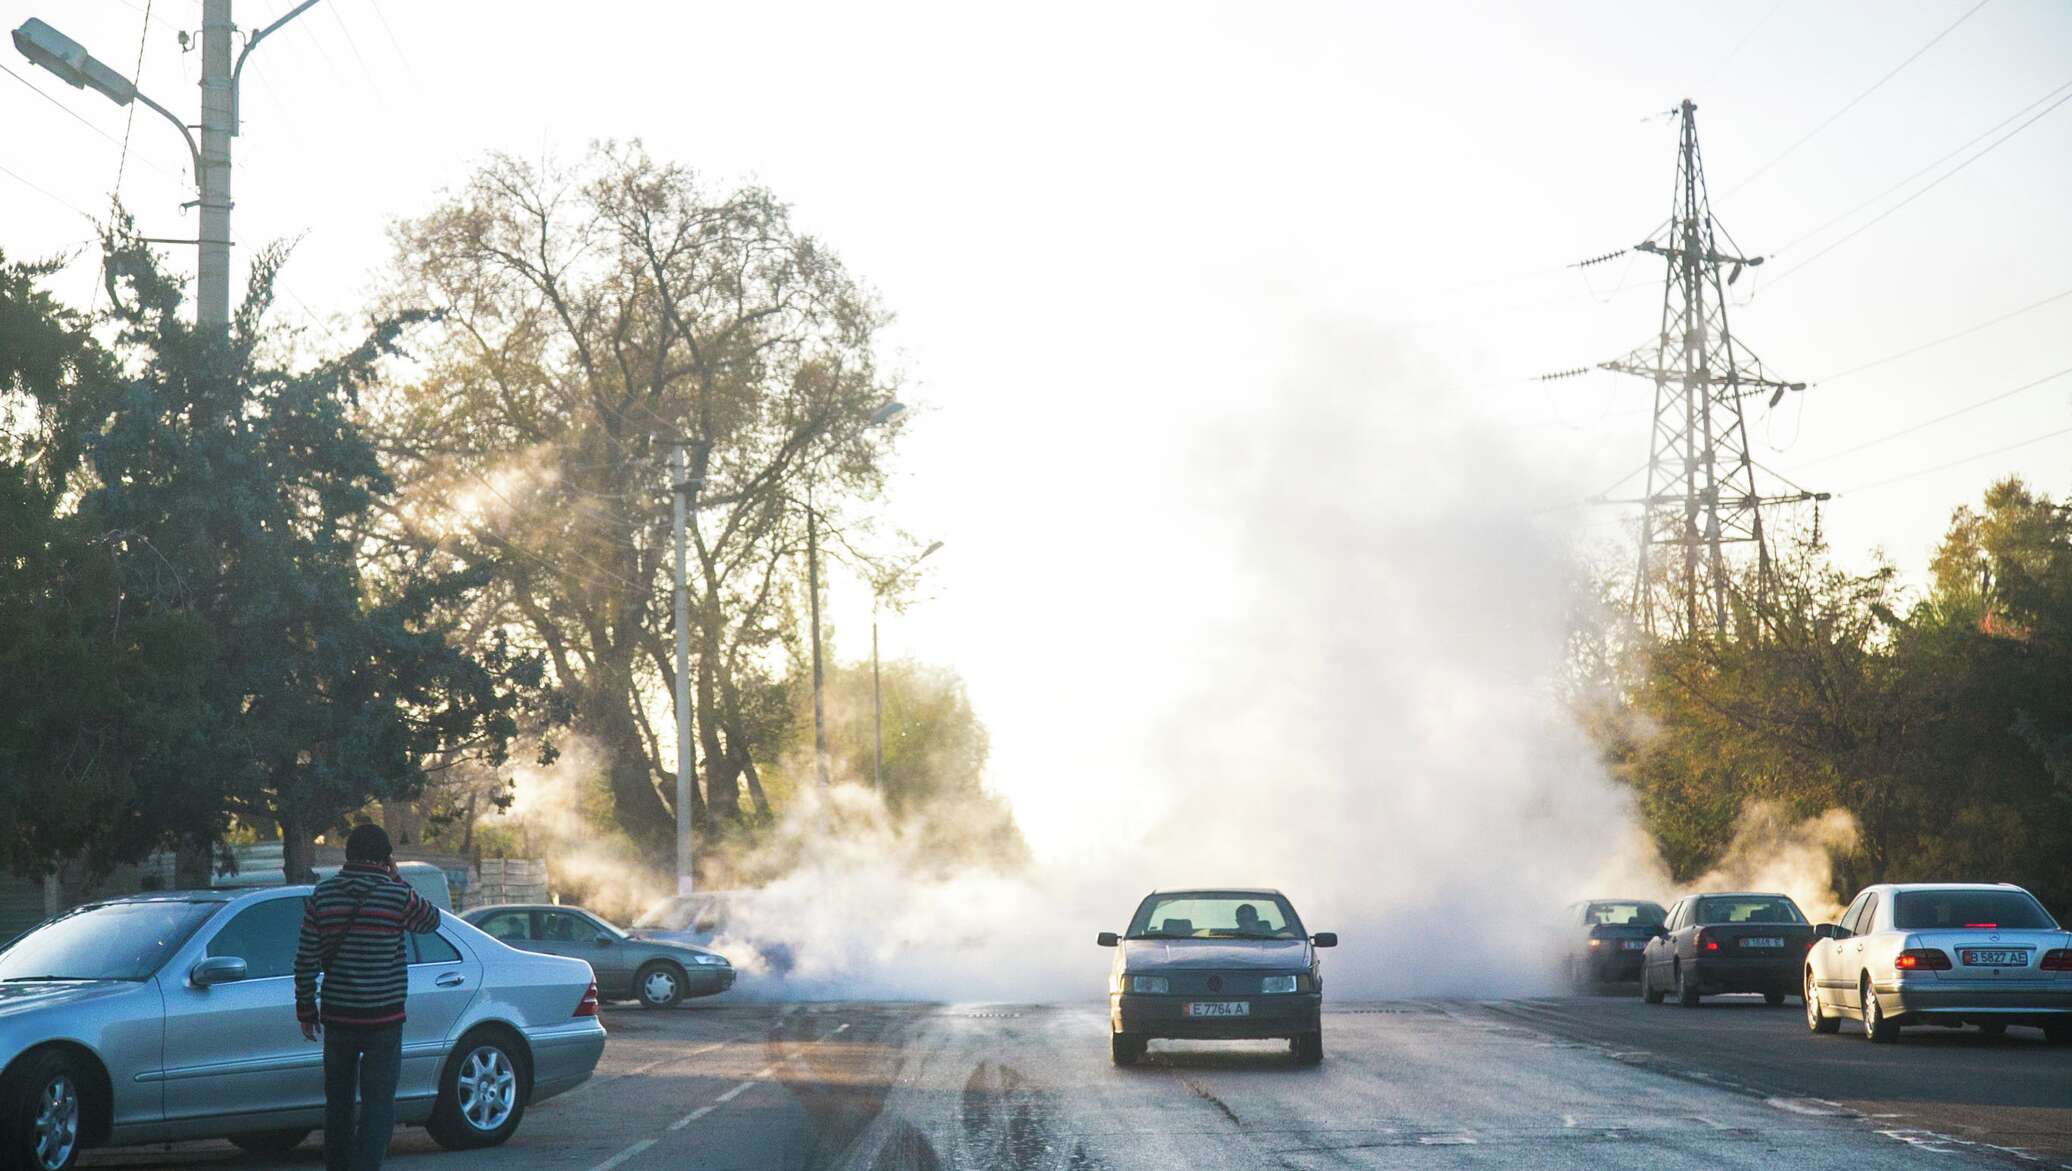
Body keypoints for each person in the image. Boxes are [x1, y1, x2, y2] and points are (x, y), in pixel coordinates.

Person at [293, 824, 442, 1171]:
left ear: (349, 855)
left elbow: (305, 958)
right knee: (378, 1104)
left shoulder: (323, 896)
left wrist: (305, 1008)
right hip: (384, 1020)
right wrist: (398, 879)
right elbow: (431, 921)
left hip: (338, 1017)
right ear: (386, 858)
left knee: (339, 1104)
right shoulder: (396, 895)